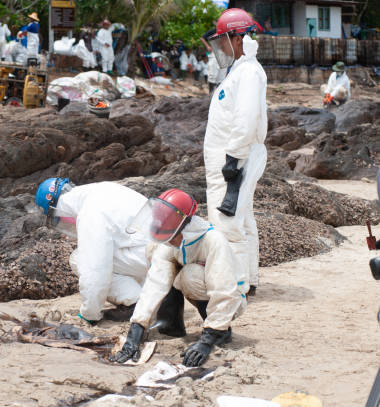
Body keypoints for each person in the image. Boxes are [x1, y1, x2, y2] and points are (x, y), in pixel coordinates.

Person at [112, 189, 247, 367]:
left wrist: (207, 341)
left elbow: (225, 292)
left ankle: (220, 332)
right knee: (155, 252)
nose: (169, 242)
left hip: (232, 299)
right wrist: (135, 332)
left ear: (184, 227)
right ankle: (171, 323)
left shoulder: (213, 241)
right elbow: (154, 284)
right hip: (200, 284)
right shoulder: (170, 243)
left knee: (190, 275)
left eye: (171, 237)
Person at [204, 8, 267, 295]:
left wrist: (232, 159)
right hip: (236, 156)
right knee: (243, 219)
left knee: (227, 224)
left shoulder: (249, 72)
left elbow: (245, 118)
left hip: (235, 159)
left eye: (223, 40)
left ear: (237, 38)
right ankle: (248, 279)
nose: (221, 47)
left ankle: (236, 286)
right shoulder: (241, 70)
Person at [34, 178, 151, 324]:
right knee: (108, 252)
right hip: (161, 248)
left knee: (80, 259)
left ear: (55, 209)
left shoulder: (90, 212)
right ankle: (145, 299)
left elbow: (95, 271)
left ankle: (136, 302)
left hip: (149, 255)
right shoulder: (102, 189)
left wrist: (89, 315)